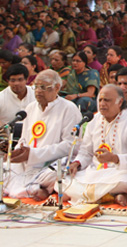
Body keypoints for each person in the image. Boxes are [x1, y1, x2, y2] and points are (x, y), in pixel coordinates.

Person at [64, 85, 127, 206]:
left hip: (121, 172)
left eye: (107, 100)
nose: (102, 104)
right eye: (100, 100)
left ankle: (98, 194)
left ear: (120, 102)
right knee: (63, 180)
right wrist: (77, 163)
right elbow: (86, 152)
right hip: (95, 172)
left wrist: (115, 159)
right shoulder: (94, 120)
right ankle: (112, 195)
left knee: (126, 182)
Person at [4, 70, 83, 200]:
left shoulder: (69, 109)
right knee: (4, 167)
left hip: (50, 163)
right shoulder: (30, 108)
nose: (38, 91)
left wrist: (34, 154)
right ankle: (35, 189)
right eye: (36, 87)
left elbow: (70, 146)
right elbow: (24, 139)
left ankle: (35, 188)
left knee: (59, 173)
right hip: (26, 163)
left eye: (43, 87)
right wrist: (17, 152)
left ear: (57, 88)